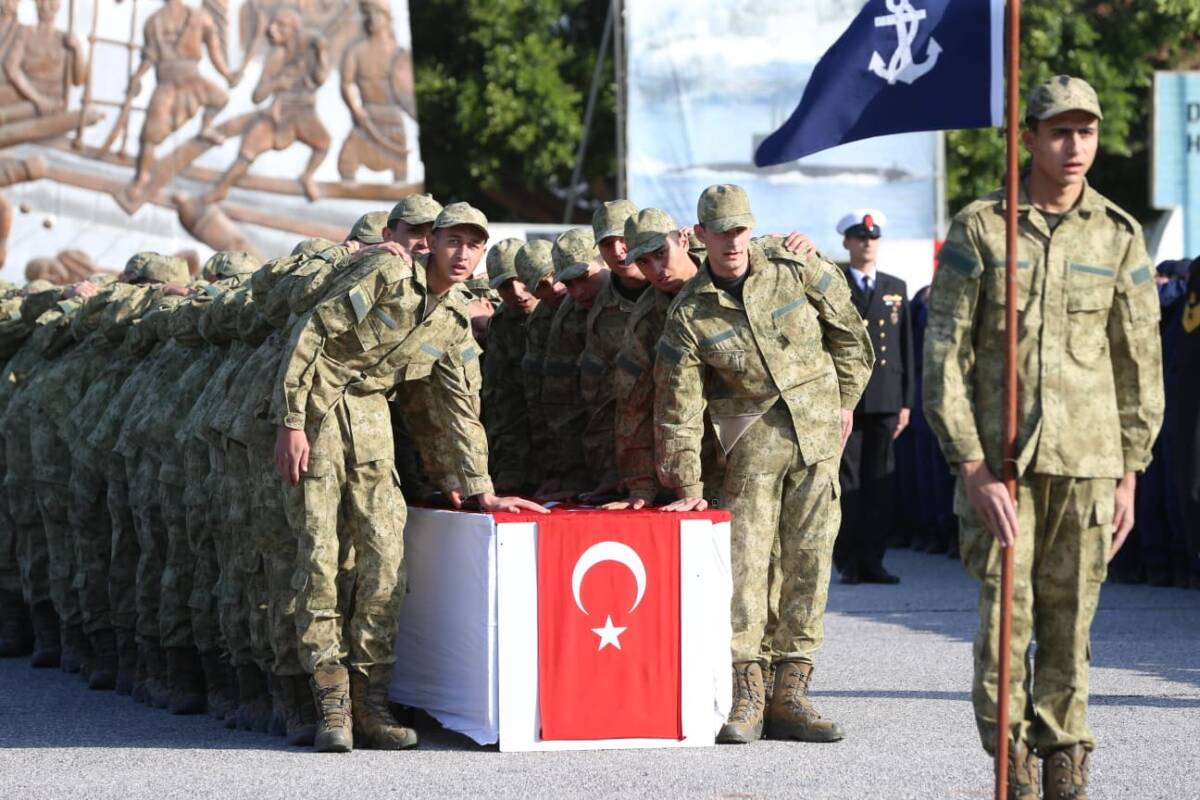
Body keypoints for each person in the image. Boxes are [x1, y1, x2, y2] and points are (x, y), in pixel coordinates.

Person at [923, 76, 1164, 799]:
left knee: (1071, 631)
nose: (1075, 146)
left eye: (1086, 131)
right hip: (1005, 471)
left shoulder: (1119, 237)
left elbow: (1139, 363)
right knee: (1006, 630)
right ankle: (1014, 770)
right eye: (1060, 131)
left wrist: (1130, 474)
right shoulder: (981, 228)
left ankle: (1066, 766)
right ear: (1027, 137)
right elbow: (944, 356)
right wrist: (971, 466)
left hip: (1090, 467)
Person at [274, 202, 546, 753]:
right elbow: (312, 333)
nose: (462, 253)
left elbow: (455, 406)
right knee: (321, 553)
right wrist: (291, 422)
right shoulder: (388, 272)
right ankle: (329, 700)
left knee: (385, 558)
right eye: (453, 241)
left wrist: (479, 487)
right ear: (434, 242)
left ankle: (370, 700)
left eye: (474, 245)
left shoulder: (453, 317)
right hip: (321, 409)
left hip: (371, 417)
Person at [654, 184, 873, 744]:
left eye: (740, 230)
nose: (732, 241)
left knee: (809, 562)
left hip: (816, 438)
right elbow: (678, 406)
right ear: (699, 235)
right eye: (720, 231)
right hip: (750, 449)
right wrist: (687, 481)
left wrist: (842, 404)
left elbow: (851, 336)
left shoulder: (793, 265)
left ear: (751, 229)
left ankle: (792, 693)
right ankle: (746, 693)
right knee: (746, 570)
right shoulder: (689, 313)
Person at [833, 209, 912, 585]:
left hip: (885, 396)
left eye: (872, 238)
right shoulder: (834, 284)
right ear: (847, 242)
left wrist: (906, 401)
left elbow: (906, 347)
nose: (867, 243)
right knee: (848, 480)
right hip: (848, 397)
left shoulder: (896, 286)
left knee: (880, 482)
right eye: (859, 237)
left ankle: (874, 559)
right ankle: (848, 558)